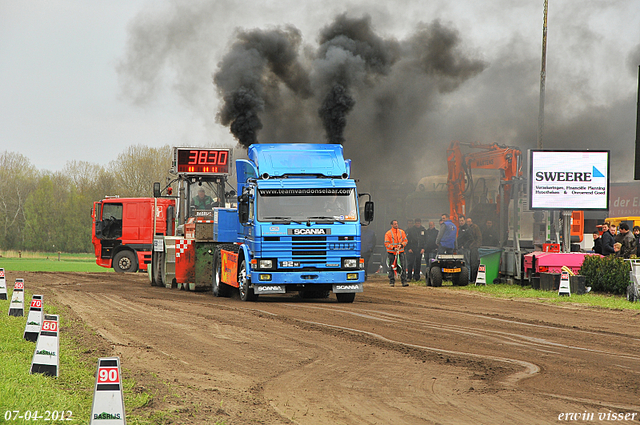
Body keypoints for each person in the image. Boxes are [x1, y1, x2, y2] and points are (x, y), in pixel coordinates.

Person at [384, 220, 408, 287]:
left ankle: (404, 281)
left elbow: (405, 240)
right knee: (391, 267)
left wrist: (401, 245)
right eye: (395, 224)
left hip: (400, 252)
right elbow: (386, 243)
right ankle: (392, 281)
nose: (396, 225)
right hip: (391, 253)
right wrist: (393, 248)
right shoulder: (388, 233)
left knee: (403, 266)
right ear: (391, 225)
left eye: (397, 223)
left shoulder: (402, 232)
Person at [466, 217, 483, 282]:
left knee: (474, 263)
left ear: (472, 222)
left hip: (474, 248)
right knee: (468, 263)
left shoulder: (475, 228)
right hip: (467, 248)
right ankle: (469, 278)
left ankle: (473, 278)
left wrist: (475, 246)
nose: (468, 223)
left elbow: (479, 238)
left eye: (469, 221)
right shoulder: (466, 228)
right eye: (467, 221)